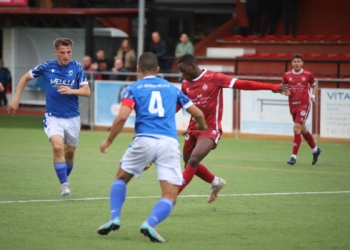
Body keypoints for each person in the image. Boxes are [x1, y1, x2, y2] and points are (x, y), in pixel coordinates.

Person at [97, 52, 206, 242]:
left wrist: (109, 140)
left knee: (121, 179)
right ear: (157, 70)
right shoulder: (172, 89)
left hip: (144, 140)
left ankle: (114, 217)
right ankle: (150, 223)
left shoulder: (133, 88)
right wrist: (202, 126)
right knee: (170, 195)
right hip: (169, 144)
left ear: (138, 69)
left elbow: (122, 117)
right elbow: (197, 113)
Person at [176, 54, 290, 203]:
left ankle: (171, 195)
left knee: (193, 160)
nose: (182, 75)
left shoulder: (214, 78)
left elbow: (243, 84)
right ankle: (216, 182)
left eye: (183, 71)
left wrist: (273, 87)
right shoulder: (185, 83)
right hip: (193, 129)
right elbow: (180, 103)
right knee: (189, 164)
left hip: (211, 127)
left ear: (192, 66)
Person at [7, 38, 91, 197]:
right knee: (57, 147)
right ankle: (65, 185)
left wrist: (71, 90)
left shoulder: (77, 67)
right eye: (62, 52)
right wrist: (16, 99)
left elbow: (87, 91)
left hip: (73, 117)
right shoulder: (46, 67)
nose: (66, 55)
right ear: (56, 53)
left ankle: (64, 178)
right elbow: (25, 77)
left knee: (70, 153)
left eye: (69, 52)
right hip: (53, 116)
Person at [282, 54, 321, 165]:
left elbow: (315, 85)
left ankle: (293, 157)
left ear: (302, 63)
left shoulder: (308, 74)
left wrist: (313, 96)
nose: (297, 63)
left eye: (299, 61)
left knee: (296, 128)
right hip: (293, 105)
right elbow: (282, 88)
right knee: (302, 129)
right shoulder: (287, 75)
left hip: (304, 104)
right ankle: (315, 150)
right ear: (292, 63)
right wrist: (285, 92)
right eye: (294, 61)